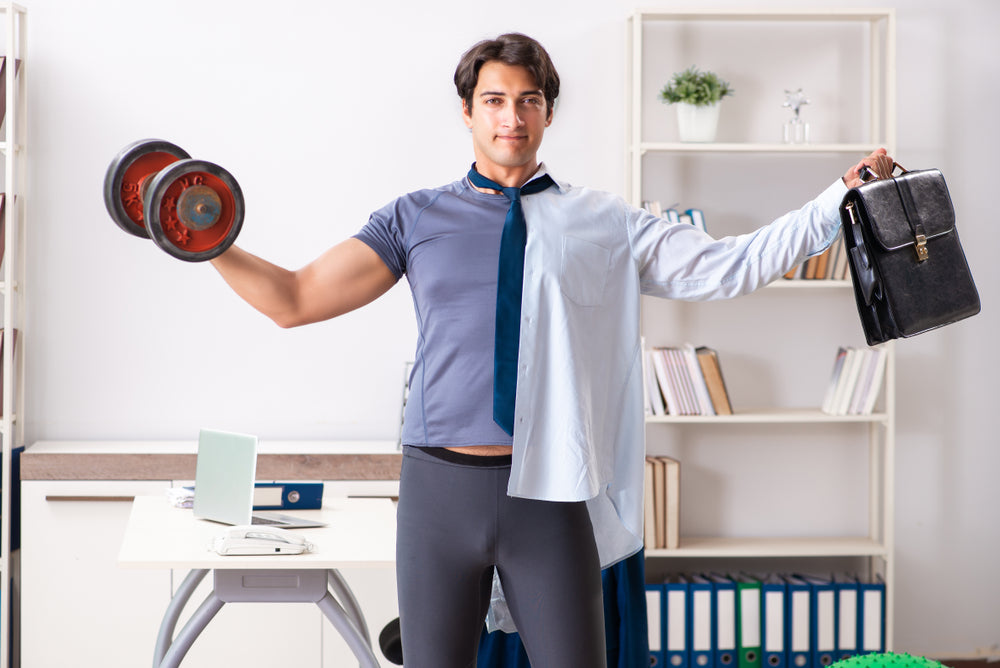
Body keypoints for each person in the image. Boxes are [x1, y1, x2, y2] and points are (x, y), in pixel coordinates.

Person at [210, 32, 889, 668]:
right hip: (437, 490)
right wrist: (203, 238)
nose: (512, 117)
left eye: (529, 101)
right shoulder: (413, 218)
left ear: (549, 114)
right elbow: (293, 300)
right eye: (495, 101)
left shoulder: (603, 222)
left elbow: (727, 266)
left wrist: (838, 198)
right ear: (469, 114)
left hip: (549, 492)